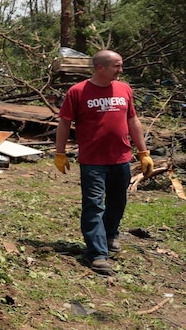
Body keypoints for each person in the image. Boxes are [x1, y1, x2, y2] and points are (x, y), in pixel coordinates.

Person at [55, 49, 152, 276]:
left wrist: (143, 151)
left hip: (121, 158)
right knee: (94, 205)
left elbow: (132, 120)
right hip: (93, 161)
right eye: (116, 66)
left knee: (117, 202)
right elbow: (64, 123)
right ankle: (97, 254)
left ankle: (110, 235)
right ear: (100, 67)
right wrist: (60, 153)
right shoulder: (77, 91)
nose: (121, 70)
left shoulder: (124, 89)